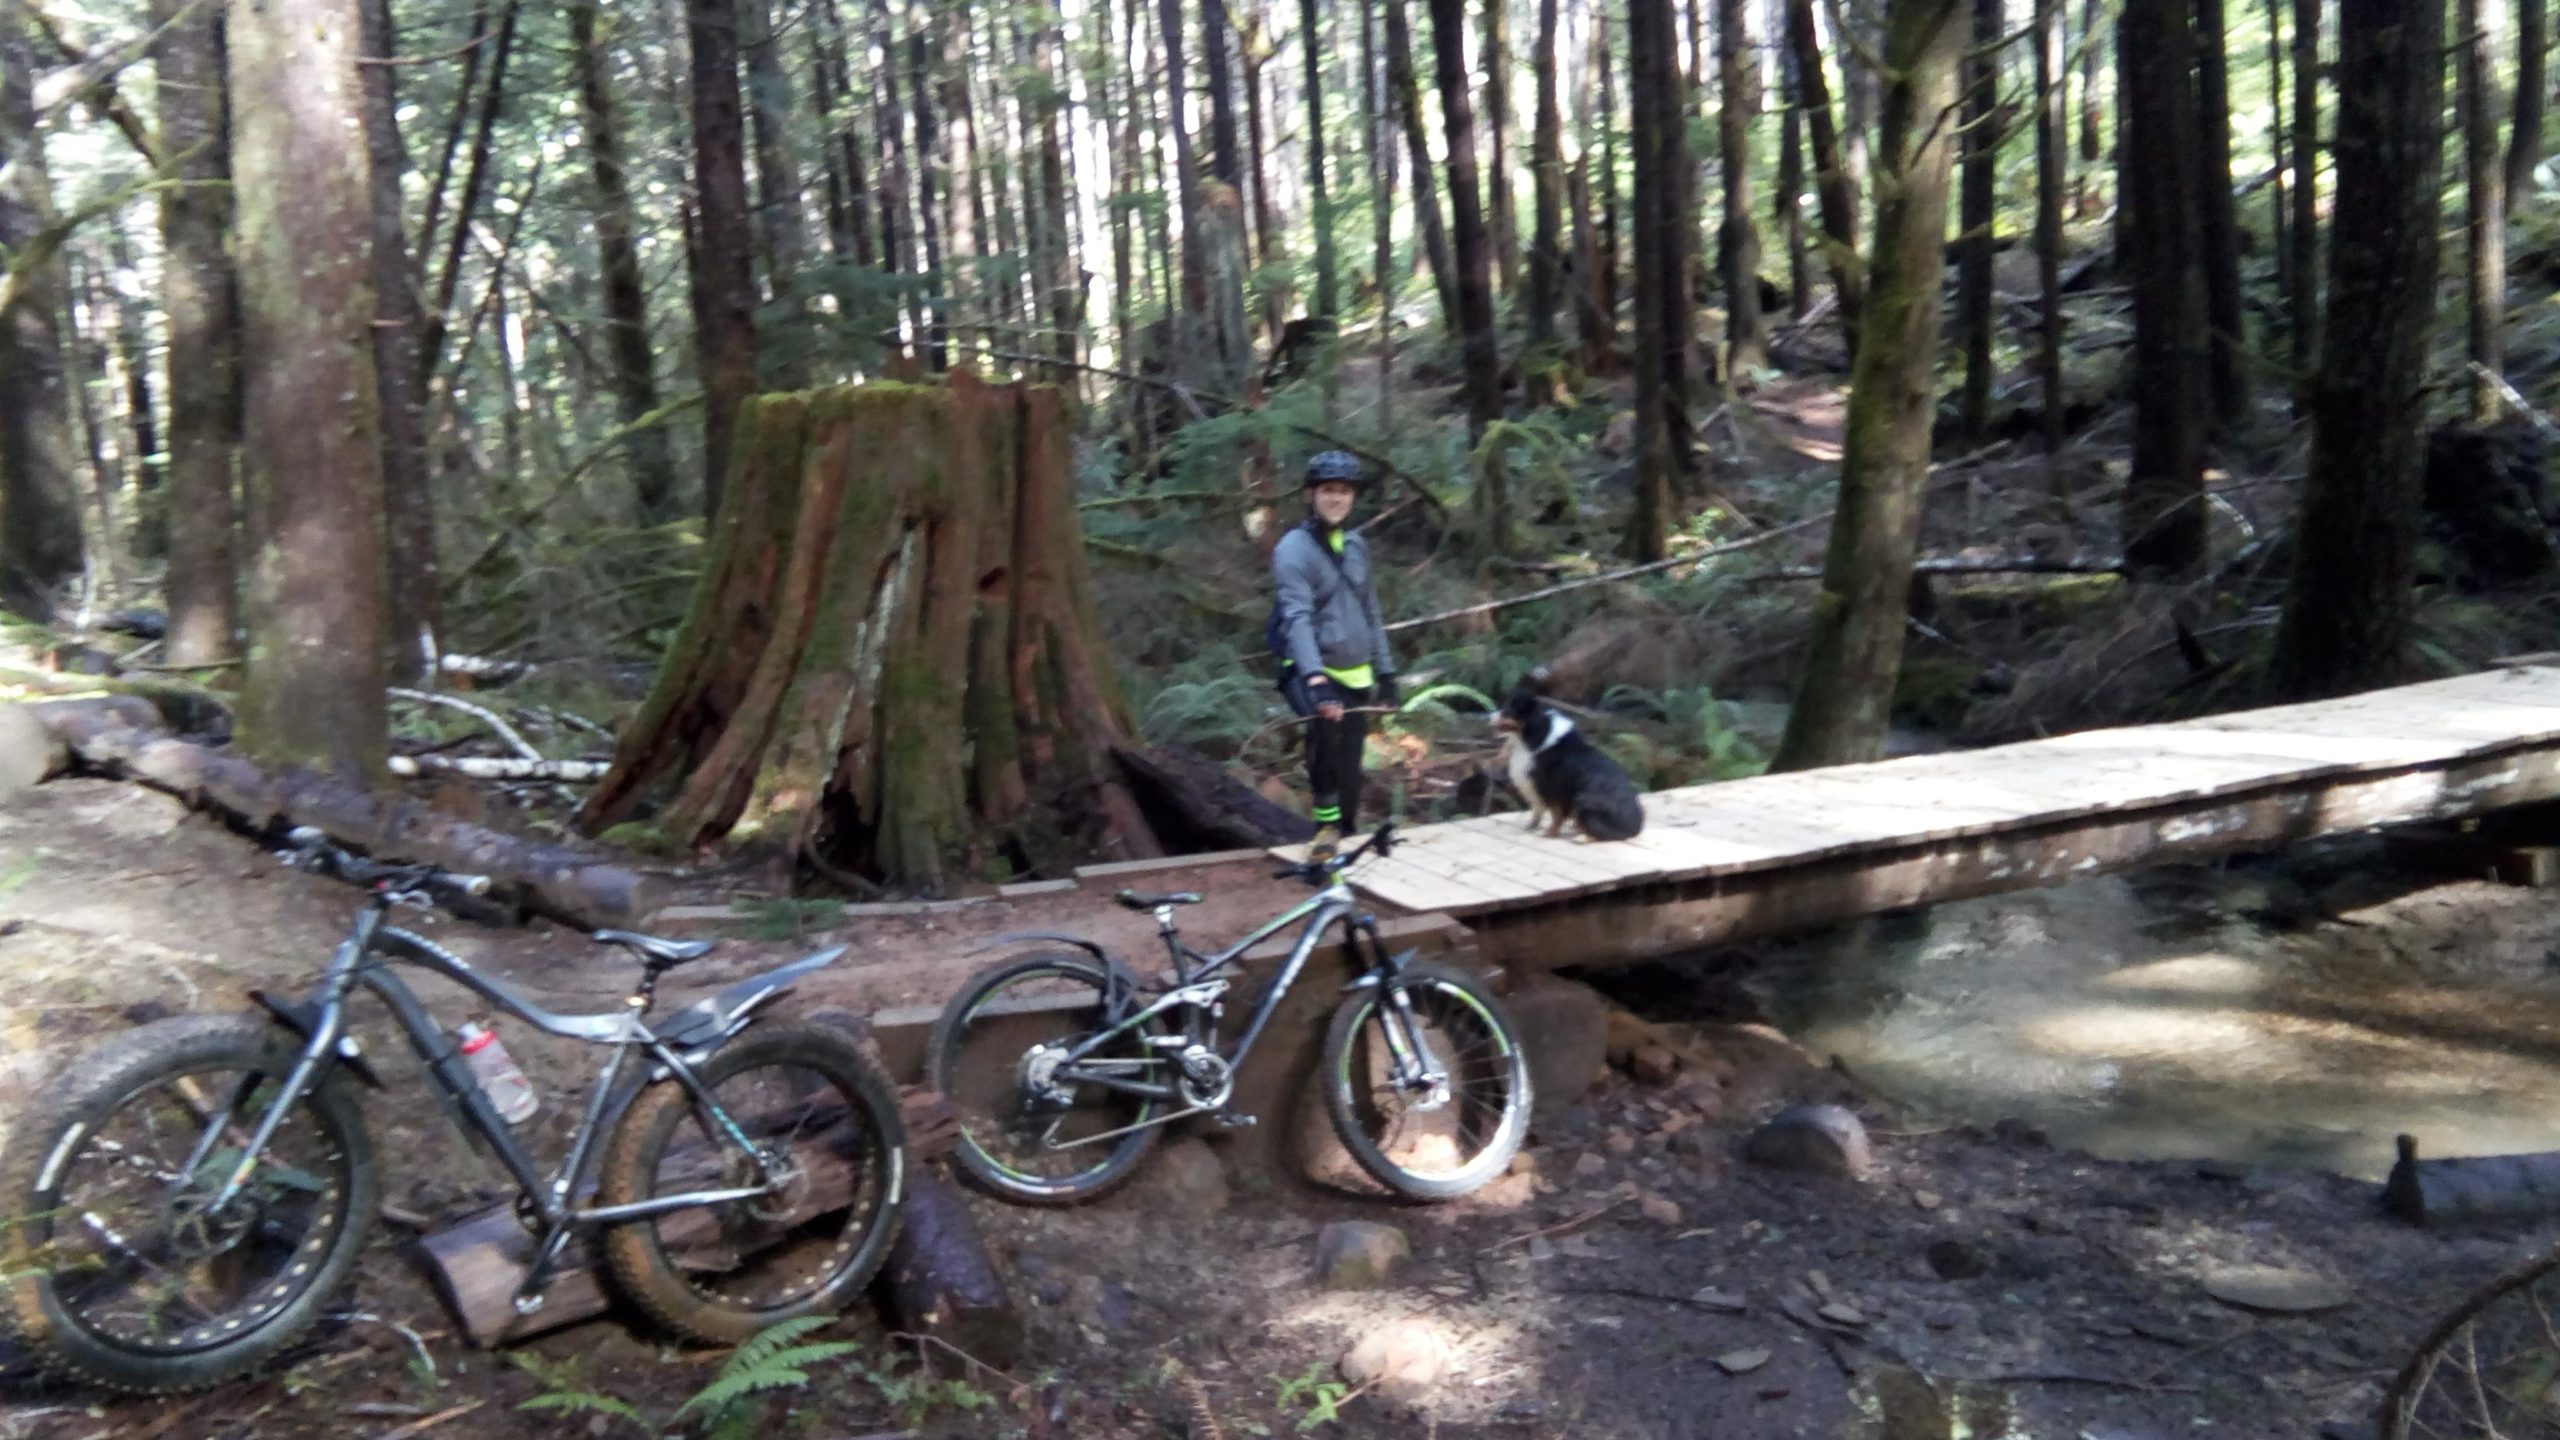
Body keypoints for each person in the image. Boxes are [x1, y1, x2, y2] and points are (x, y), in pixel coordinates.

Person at [1272, 451, 1398, 859]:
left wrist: (1387, 671)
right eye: (1328, 490)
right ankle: (1325, 828)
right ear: (1311, 494)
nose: (1336, 499)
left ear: (1352, 498)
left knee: (1350, 759)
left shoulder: (1357, 545)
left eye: (1344, 492)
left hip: (1356, 671)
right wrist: (1315, 681)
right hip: (1311, 668)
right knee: (1325, 732)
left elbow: (1371, 611)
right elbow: (1297, 618)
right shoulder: (1293, 549)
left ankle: (1345, 828)